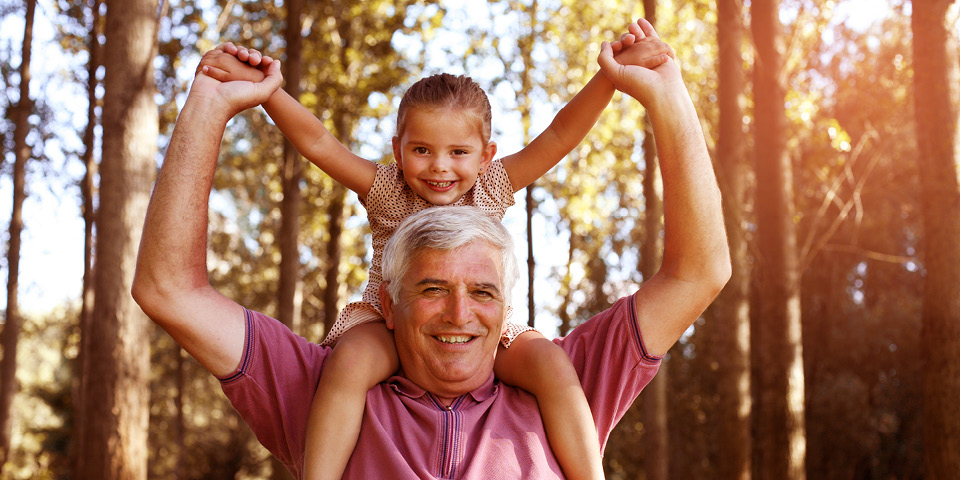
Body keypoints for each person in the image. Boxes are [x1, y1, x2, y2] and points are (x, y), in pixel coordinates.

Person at [133, 17, 730, 480]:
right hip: (371, 326)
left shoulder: (496, 189)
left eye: (482, 290)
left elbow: (561, 137)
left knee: (551, 363)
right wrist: (255, 95)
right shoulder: (383, 194)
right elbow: (316, 142)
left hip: (504, 347)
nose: (458, 313)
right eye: (433, 288)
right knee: (349, 364)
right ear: (399, 150)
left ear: (485, 154)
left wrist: (628, 83)